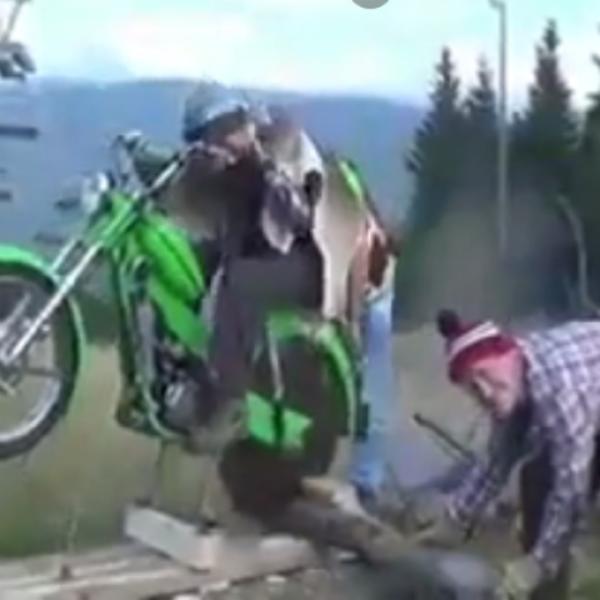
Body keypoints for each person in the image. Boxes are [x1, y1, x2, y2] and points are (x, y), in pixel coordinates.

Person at [406, 309, 600, 600]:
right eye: (473, 387)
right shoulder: (514, 379)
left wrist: (538, 565)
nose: (484, 392)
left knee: (561, 485)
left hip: (585, 396)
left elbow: (571, 491)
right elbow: (497, 459)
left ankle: (541, 575)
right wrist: (456, 520)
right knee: (537, 481)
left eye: (485, 374)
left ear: (509, 354)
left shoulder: (560, 391)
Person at [177, 82, 326, 433]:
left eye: (219, 133)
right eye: (206, 137)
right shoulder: (220, 167)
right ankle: (183, 371)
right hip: (259, 255)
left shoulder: (281, 147)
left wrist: (259, 165)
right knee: (186, 262)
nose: (214, 144)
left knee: (240, 282)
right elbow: (196, 209)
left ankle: (231, 399)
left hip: (310, 262)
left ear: (241, 124)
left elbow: (301, 218)